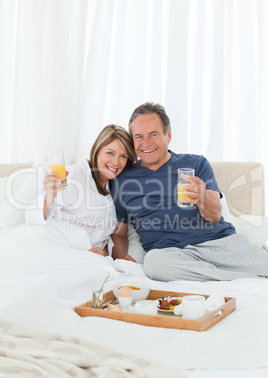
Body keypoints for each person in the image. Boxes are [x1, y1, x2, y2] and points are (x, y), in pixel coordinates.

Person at [111, 103, 268, 281]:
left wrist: (202, 198)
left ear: (168, 135)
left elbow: (215, 216)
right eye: (138, 136)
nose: (145, 143)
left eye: (153, 134)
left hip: (220, 244)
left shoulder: (196, 164)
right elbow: (119, 232)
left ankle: (217, 277)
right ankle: (245, 280)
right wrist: (121, 257)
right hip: (169, 254)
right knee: (154, 264)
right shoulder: (122, 179)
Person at [25, 124, 136, 256]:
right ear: (97, 150)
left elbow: (104, 234)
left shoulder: (114, 186)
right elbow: (31, 216)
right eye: (110, 153)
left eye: (123, 156)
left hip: (92, 256)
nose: (116, 162)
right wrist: (49, 196)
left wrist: (105, 253)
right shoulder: (73, 176)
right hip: (58, 250)